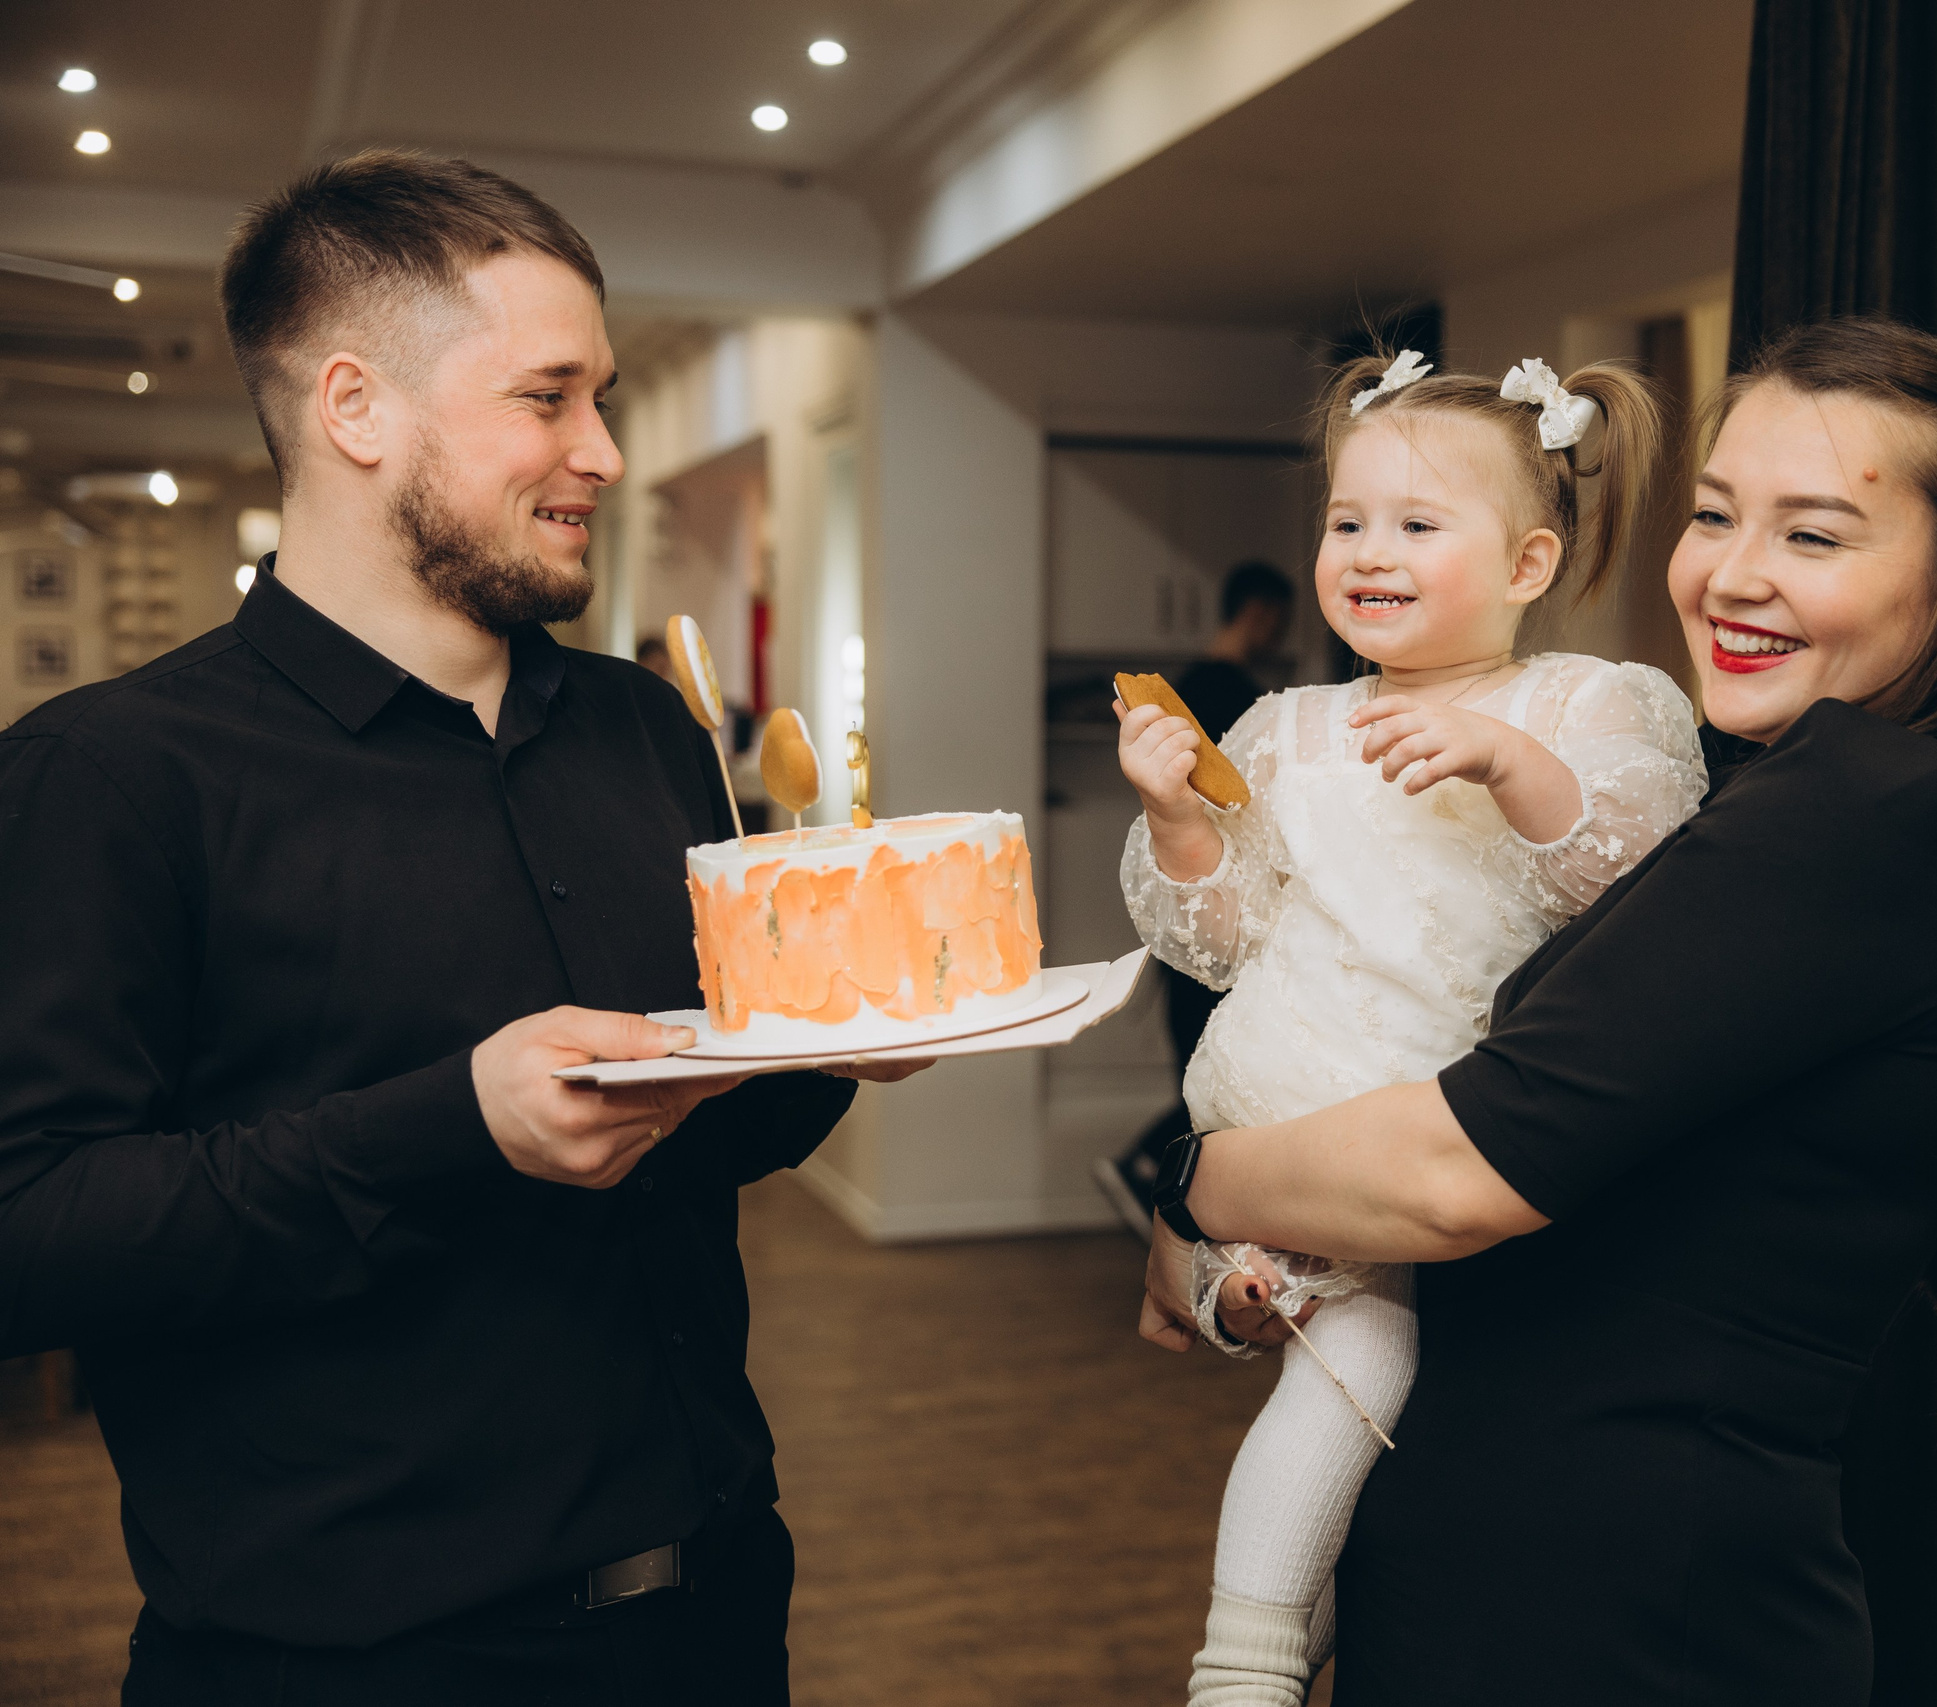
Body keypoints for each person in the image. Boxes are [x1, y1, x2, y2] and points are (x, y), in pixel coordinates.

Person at [0, 150, 923, 1704]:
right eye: (550, 398)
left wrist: (846, 1035)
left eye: (602, 396)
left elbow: (697, 1131)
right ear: (357, 409)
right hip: (347, 1656)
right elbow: (31, 1234)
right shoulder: (107, 775)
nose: (607, 453)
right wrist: (450, 1126)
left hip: (709, 1605)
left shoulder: (644, 730)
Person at [1137, 317, 1937, 1704]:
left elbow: (1459, 1172)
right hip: (1552, 1581)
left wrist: (1194, 1181)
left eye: (1815, 535)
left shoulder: (1857, 813)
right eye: (1717, 514)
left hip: (1616, 1617)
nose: (1732, 574)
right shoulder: (1801, 794)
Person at [1118, 350, 1708, 1704]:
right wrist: (1177, 815)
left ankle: (1295, 1595)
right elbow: (1219, 937)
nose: (1369, 550)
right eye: (1347, 521)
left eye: (1416, 523)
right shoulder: (1286, 725)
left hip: (1457, 1120)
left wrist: (1512, 767)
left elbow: (1633, 883)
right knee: (1360, 1357)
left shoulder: (1585, 705)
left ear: (1527, 561)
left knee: (1373, 1390)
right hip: (1300, 1101)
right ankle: (1246, 1661)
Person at [1091, 559, 1298, 1238]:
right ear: (1262, 613)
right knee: (1209, 1079)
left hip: (1192, 909)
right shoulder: (1242, 700)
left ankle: (1158, 1188)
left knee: (1200, 1070)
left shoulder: (1183, 690)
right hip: (1220, 907)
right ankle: (1159, 1185)